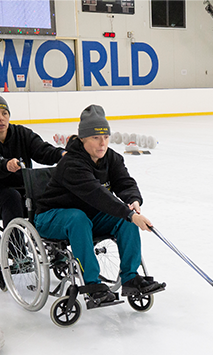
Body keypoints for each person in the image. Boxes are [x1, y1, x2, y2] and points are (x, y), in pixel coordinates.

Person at [34, 105, 165, 305]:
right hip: (52, 217)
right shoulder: (72, 164)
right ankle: (92, 284)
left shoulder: (111, 158)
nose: (102, 142)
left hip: (89, 216)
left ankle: (130, 277)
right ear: (83, 139)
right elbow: (98, 195)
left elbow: (125, 183)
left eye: (105, 136)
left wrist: (133, 201)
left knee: (124, 219)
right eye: (96, 137)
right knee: (79, 218)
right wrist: (130, 215)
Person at [0, 94, 65, 226]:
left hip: (21, 190)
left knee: (49, 193)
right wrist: (6, 166)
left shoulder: (21, 133)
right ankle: (15, 246)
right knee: (11, 197)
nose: (1, 118)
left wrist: (61, 154)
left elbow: (42, 150)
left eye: (4, 113)